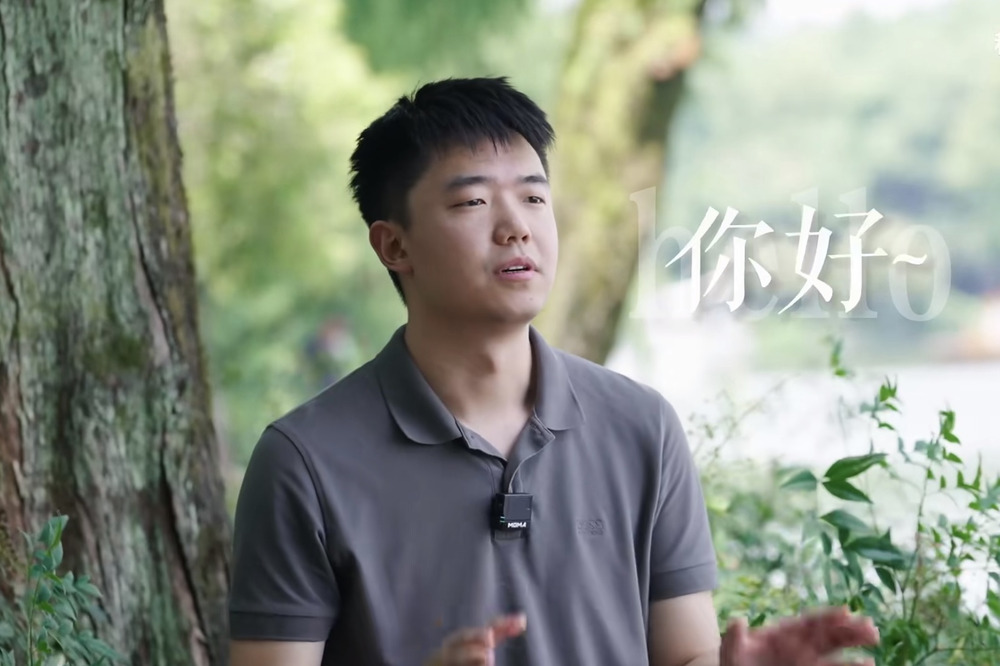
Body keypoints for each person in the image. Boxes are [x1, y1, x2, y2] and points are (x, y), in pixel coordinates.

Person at [227, 77, 880, 666]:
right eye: (472, 202)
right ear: (394, 245)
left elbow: (685, 656)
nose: (516, 227)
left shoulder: (642, 427)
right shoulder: (305, 463)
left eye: (534, 197)